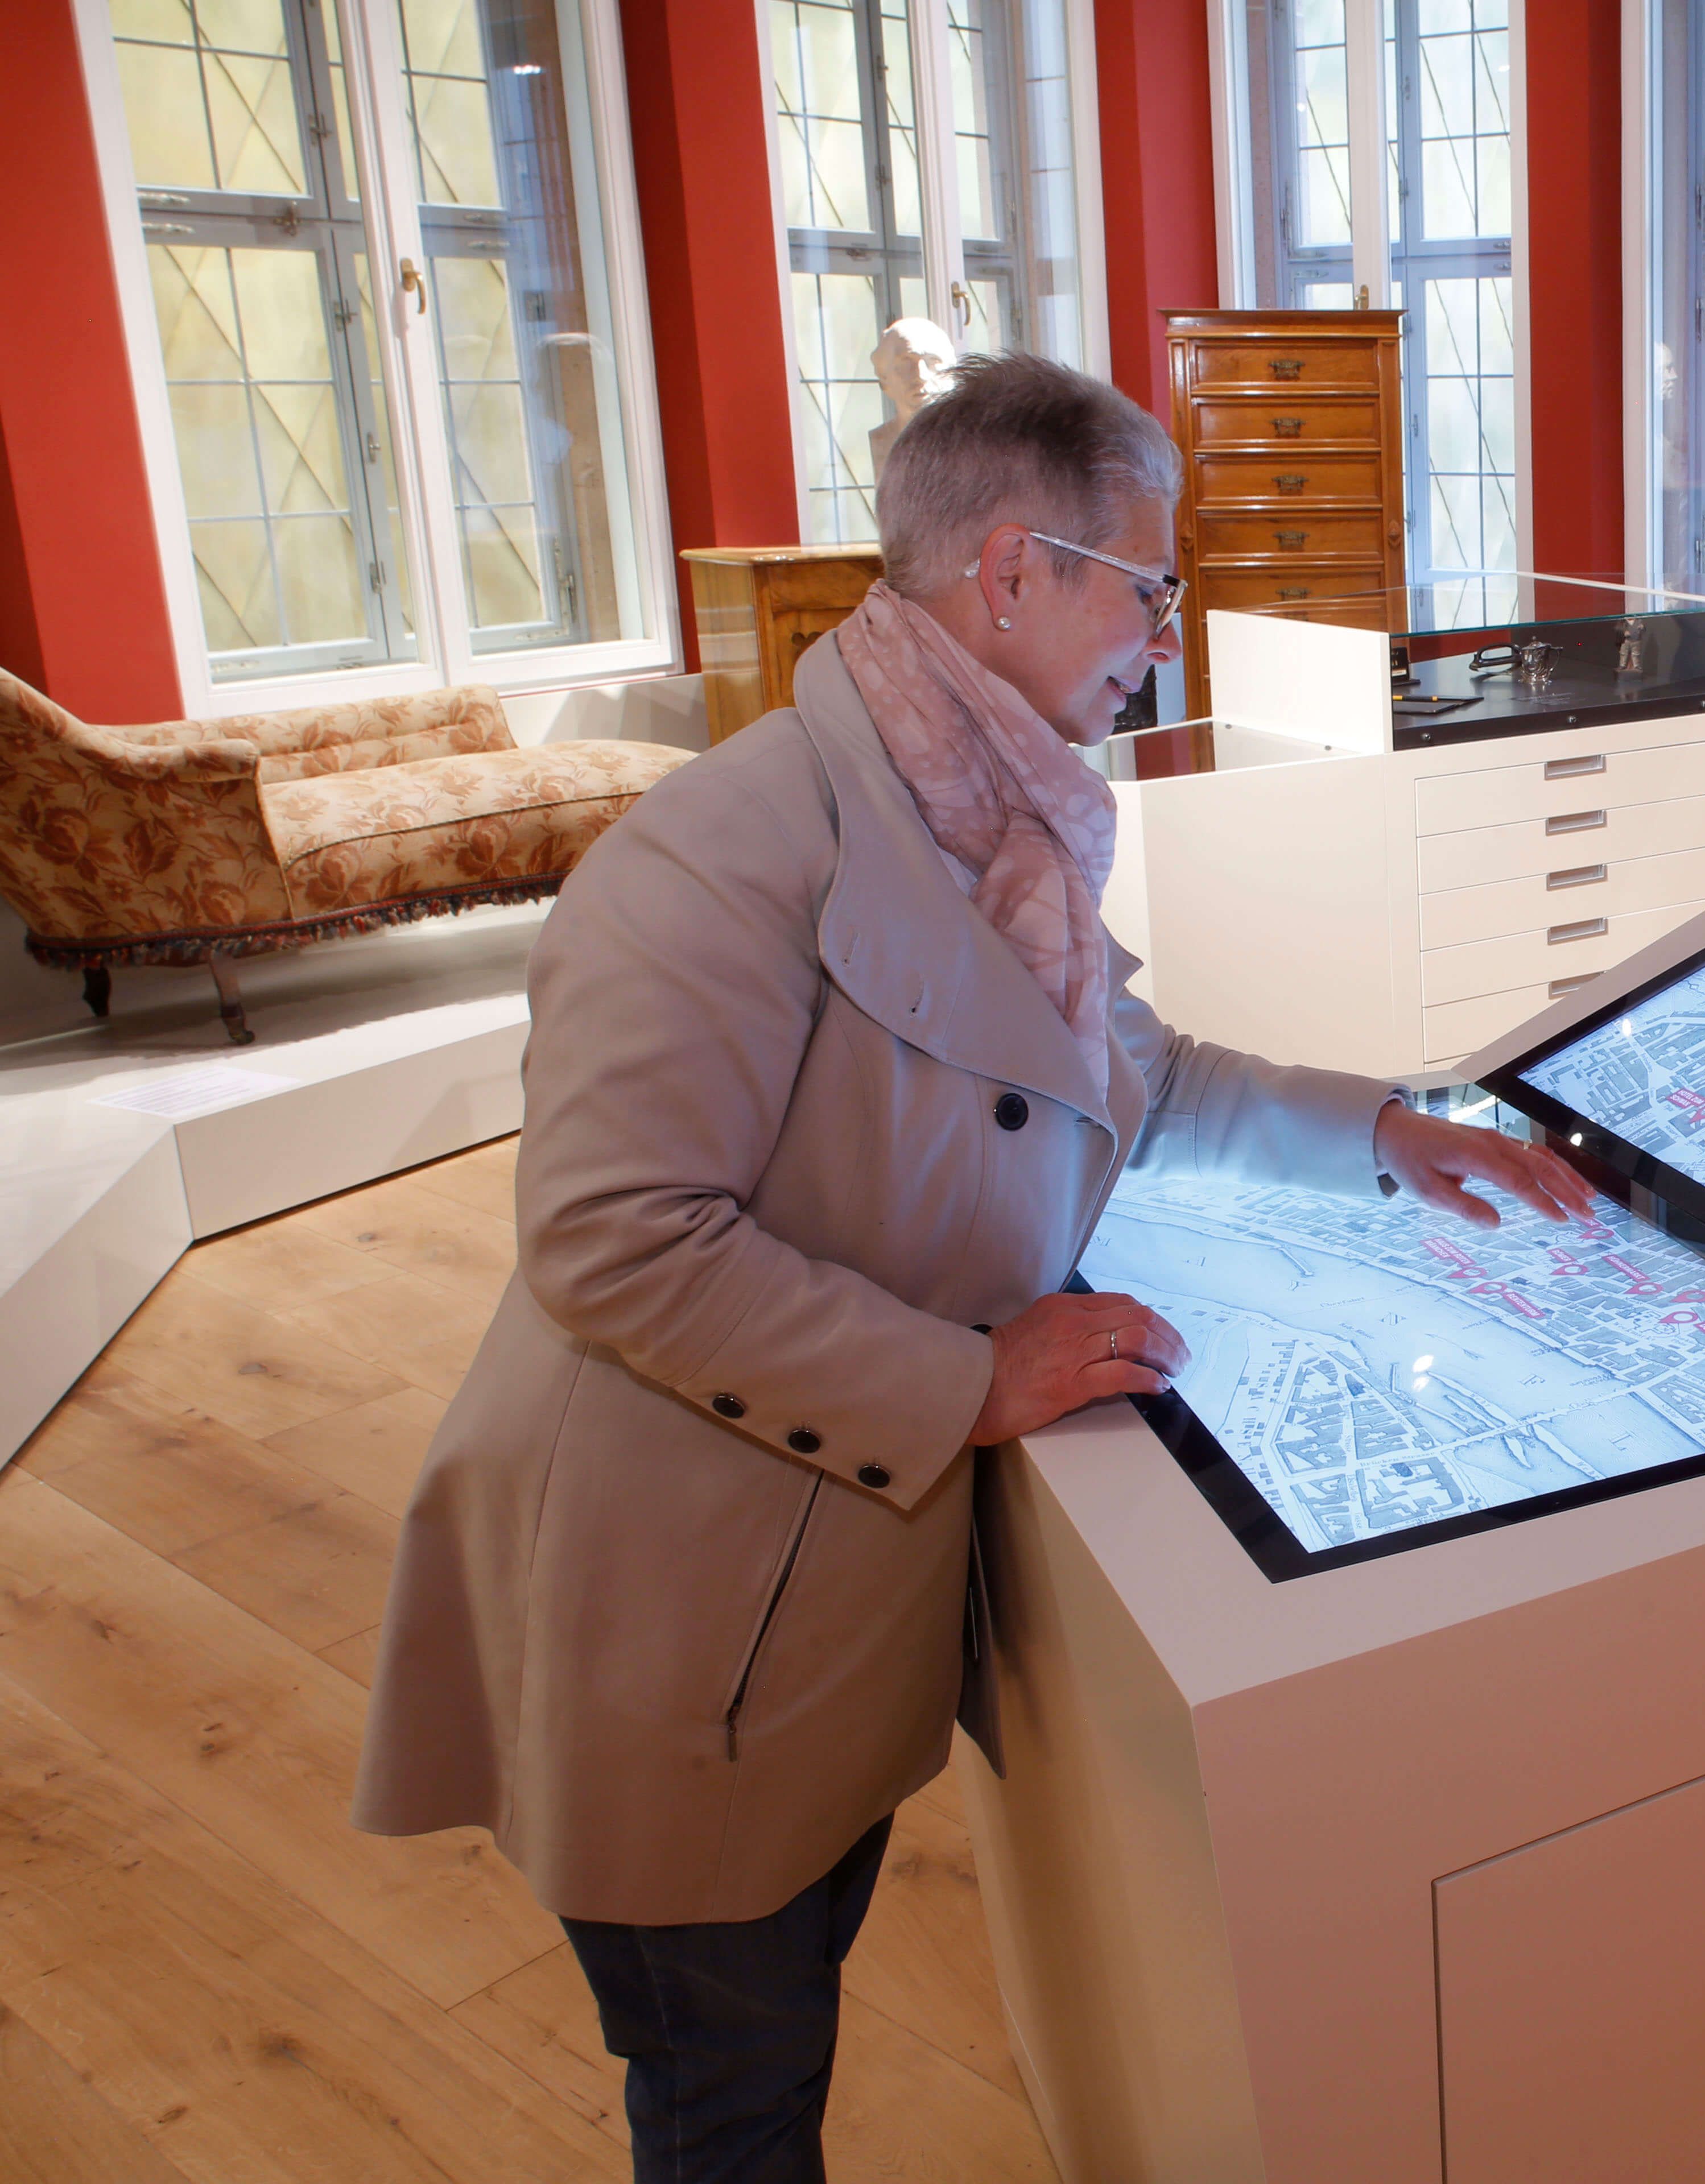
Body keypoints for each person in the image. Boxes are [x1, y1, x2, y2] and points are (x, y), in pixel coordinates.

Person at [351, 353, 1595, 2182]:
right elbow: (613, 1237)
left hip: (798, 1580)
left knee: (769, 2035)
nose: (1163, 642)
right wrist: (971, 1376)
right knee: (731, 2091)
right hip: (668, 1593)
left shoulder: (985, 814)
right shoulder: (719, 854)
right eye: (1149, 587)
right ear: (1015, 569)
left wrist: (1389, 1129)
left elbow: (1131, 1072)